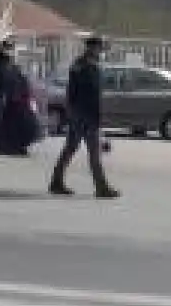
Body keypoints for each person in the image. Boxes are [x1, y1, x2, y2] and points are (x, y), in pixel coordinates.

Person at [49, 36, 119, 198]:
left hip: (80, 113)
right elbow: (88, 93)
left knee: (70, 148)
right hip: (86, 114)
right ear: (92, 48)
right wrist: (95, 117)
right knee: (93, 152)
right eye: (100, 48)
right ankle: (101, 187)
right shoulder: (86, 65)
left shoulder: (82, 64)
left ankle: (56, 181)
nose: (101, 52)